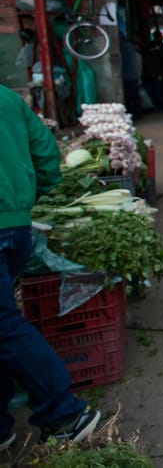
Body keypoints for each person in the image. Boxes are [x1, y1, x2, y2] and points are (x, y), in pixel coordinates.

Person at [0, 85, 102, 451]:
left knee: (4, 326)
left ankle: (64, 413)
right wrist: (30, 197)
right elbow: (45, 151)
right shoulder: (8, 98)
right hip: (15, 225)